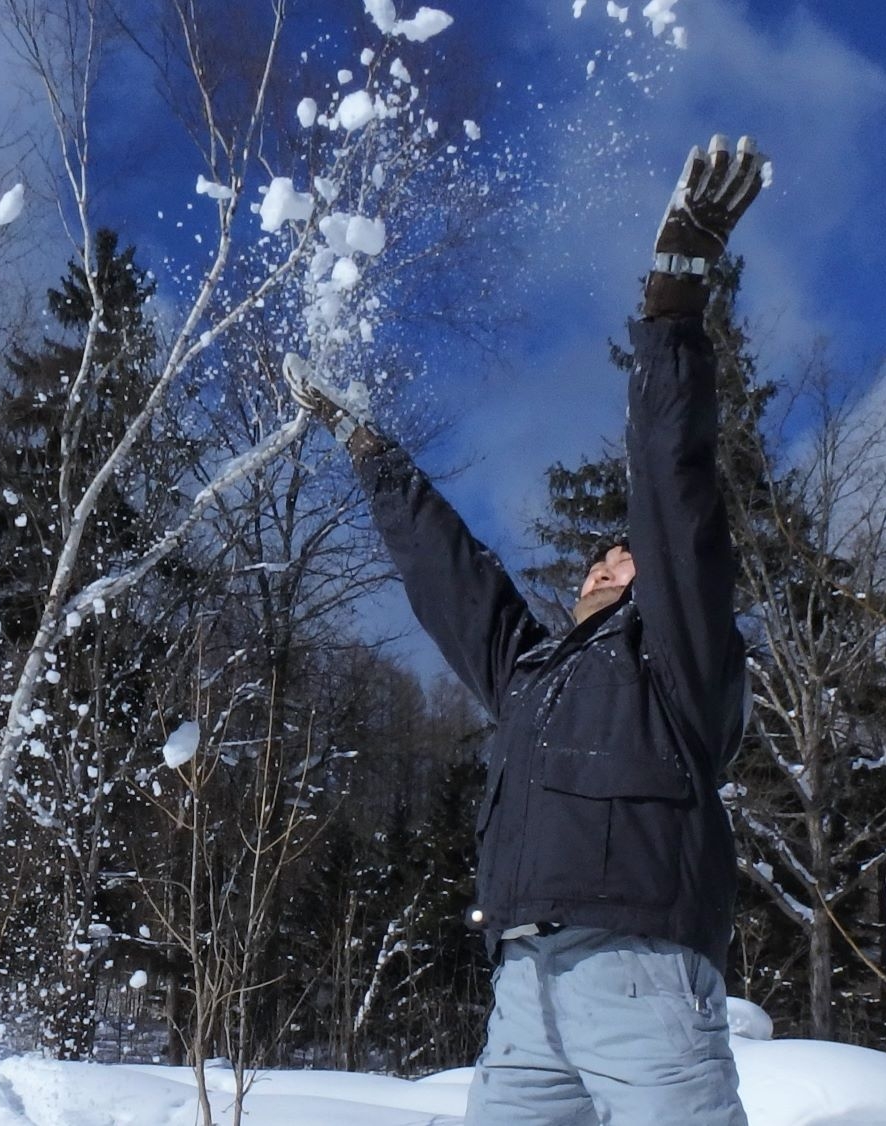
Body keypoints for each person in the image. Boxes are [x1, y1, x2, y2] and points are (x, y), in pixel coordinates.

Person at [291, 136, 768, 1125]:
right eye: (597, 556)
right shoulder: (534, 671)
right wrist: (370, 452)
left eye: (624, 557)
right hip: (520, 990)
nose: (605, 559)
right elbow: (449, 580)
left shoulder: (674, 661)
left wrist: (672, 303)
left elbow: (673, 493)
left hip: (638, 971)